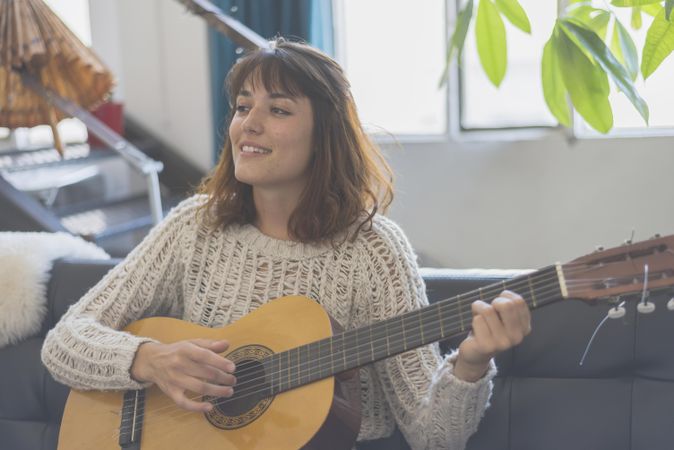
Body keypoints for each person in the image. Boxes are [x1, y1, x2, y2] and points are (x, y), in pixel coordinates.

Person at [42, 37, 531, 449]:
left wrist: (471, 363)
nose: (248, 124)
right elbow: (65, 342)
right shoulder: (194, 226)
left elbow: (434, 435)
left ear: (325, 136)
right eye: (241, 107)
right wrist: (148, 360)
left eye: (277, 109)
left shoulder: (374, 250)